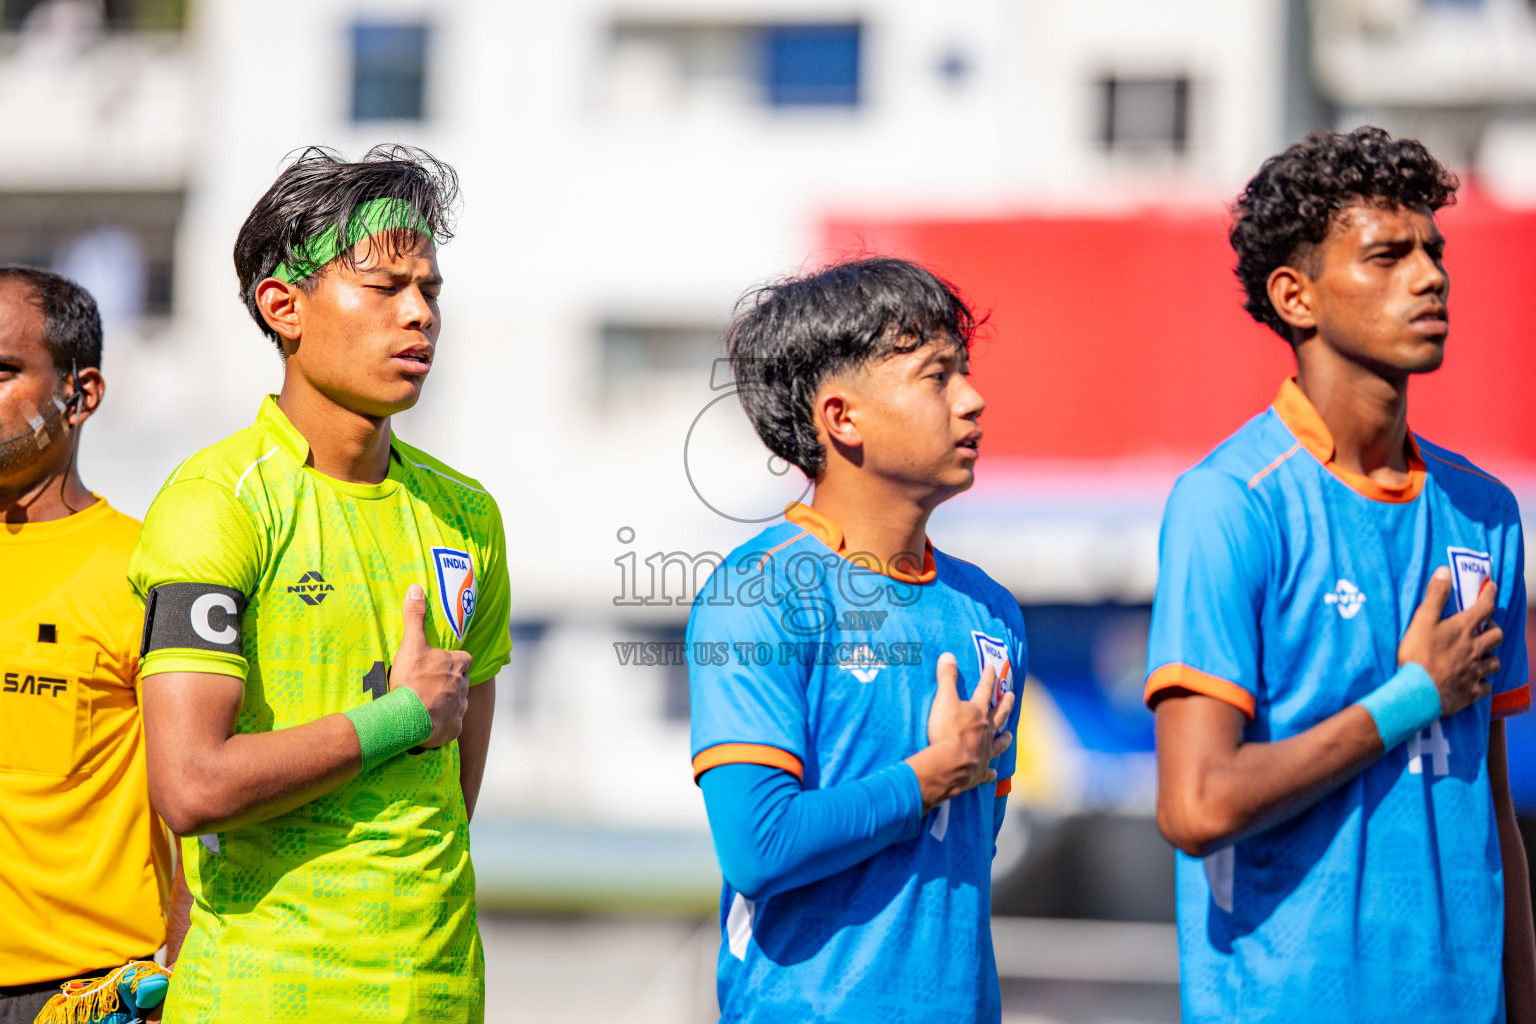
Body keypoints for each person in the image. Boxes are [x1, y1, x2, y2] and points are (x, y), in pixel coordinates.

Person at [1146, 126, 1535, 1023]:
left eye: (1434, 252)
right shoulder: (1229, 503)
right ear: (1297, 296)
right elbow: (1196, 805)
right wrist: (1412, 697)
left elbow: (1493, 813)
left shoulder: (1486, 513)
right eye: (1388, 256)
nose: (1430, 278)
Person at [127, 145, 511, 1023]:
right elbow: (189, 787)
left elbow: (449, 802)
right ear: (284, 306)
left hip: (439, 993)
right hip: (261, 994)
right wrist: (400, 717)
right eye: (384, 288)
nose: (418, 314)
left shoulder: (466, 515)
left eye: (431, 290)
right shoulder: (218, 502)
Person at [688, 257, 1024, 1023]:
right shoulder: (759, 592)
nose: (972, 400)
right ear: (842, 418)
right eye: (937, 376)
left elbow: (972, 850)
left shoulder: (993, 612)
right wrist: (930, 776)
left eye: (965, 372)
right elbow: (759, 845)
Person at [0, 266, 179, 1023]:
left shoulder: (146, 570)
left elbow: (204, 818)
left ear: (81, 394)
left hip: (83, 995)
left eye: (3, 370)